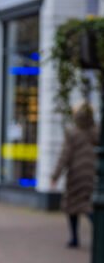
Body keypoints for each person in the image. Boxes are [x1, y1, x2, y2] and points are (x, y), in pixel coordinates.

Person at [50, 101, 97, 248]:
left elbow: (65, 155)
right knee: (88, 206)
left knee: (72, 206)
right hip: (92, 173)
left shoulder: (72, 133)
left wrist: (55, 176)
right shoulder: (97, 131)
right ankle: (98, 235)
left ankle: (74, 239)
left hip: (76, 174)